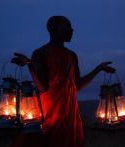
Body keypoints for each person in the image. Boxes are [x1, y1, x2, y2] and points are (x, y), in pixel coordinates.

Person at [11, 16, 115, 147]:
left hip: (70, 115)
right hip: (50, 114)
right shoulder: (41, 53)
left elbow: (76, 85)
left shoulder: (72, 56)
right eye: (67, 26)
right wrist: (31, 66)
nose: (72, 30)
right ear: (54, 29)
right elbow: (42, 88)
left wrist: (98, 69)